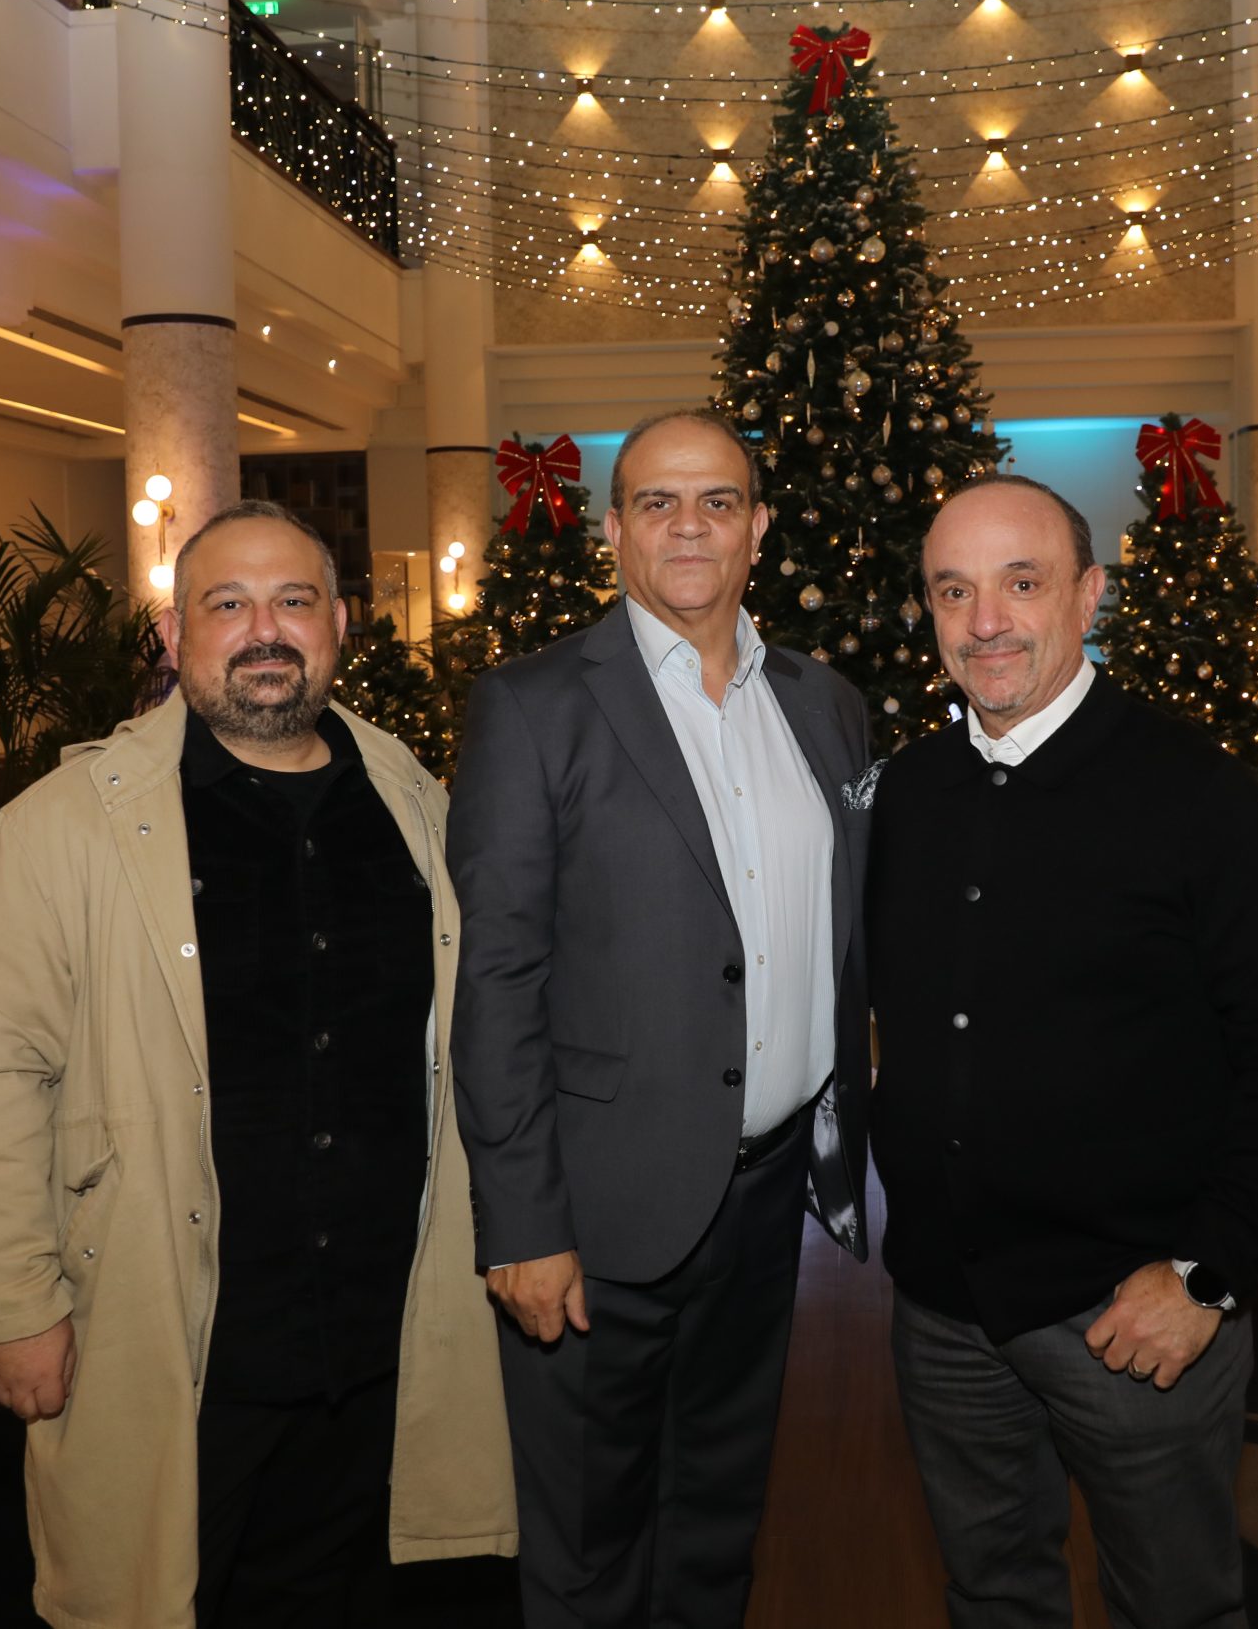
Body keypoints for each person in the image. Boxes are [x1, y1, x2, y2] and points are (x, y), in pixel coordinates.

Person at [0, 500, 515, 1629]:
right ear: (173, 631)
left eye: (293, 601)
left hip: (381, 1334)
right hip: (174, 1334)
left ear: (339, 623)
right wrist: (5, 1303)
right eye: (227, 604)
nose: (264, 630)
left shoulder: (415, 804)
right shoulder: (64, 828)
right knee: (146, 1599)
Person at [867, 475, 1258, 1629]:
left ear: (1088, 595)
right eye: (953, 591)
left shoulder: (1194, 794)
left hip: (1134, 1316)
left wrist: (1208, 1272)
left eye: (1020, 583)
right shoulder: (907, 793)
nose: (986, 621)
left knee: (1174, 1608)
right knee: (991, 1596)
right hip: (944, 1313)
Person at [446, 408, 876, 1626]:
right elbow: (497, 979)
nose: (689, 527)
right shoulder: (533, 706)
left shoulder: (825, 704)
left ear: (759, 529)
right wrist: (523, 1223)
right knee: (589, 1540)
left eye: (718, 502)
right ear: (615, 529)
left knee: (717, 1517)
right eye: (657, 503)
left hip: (766, 1199)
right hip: (596, 1214)